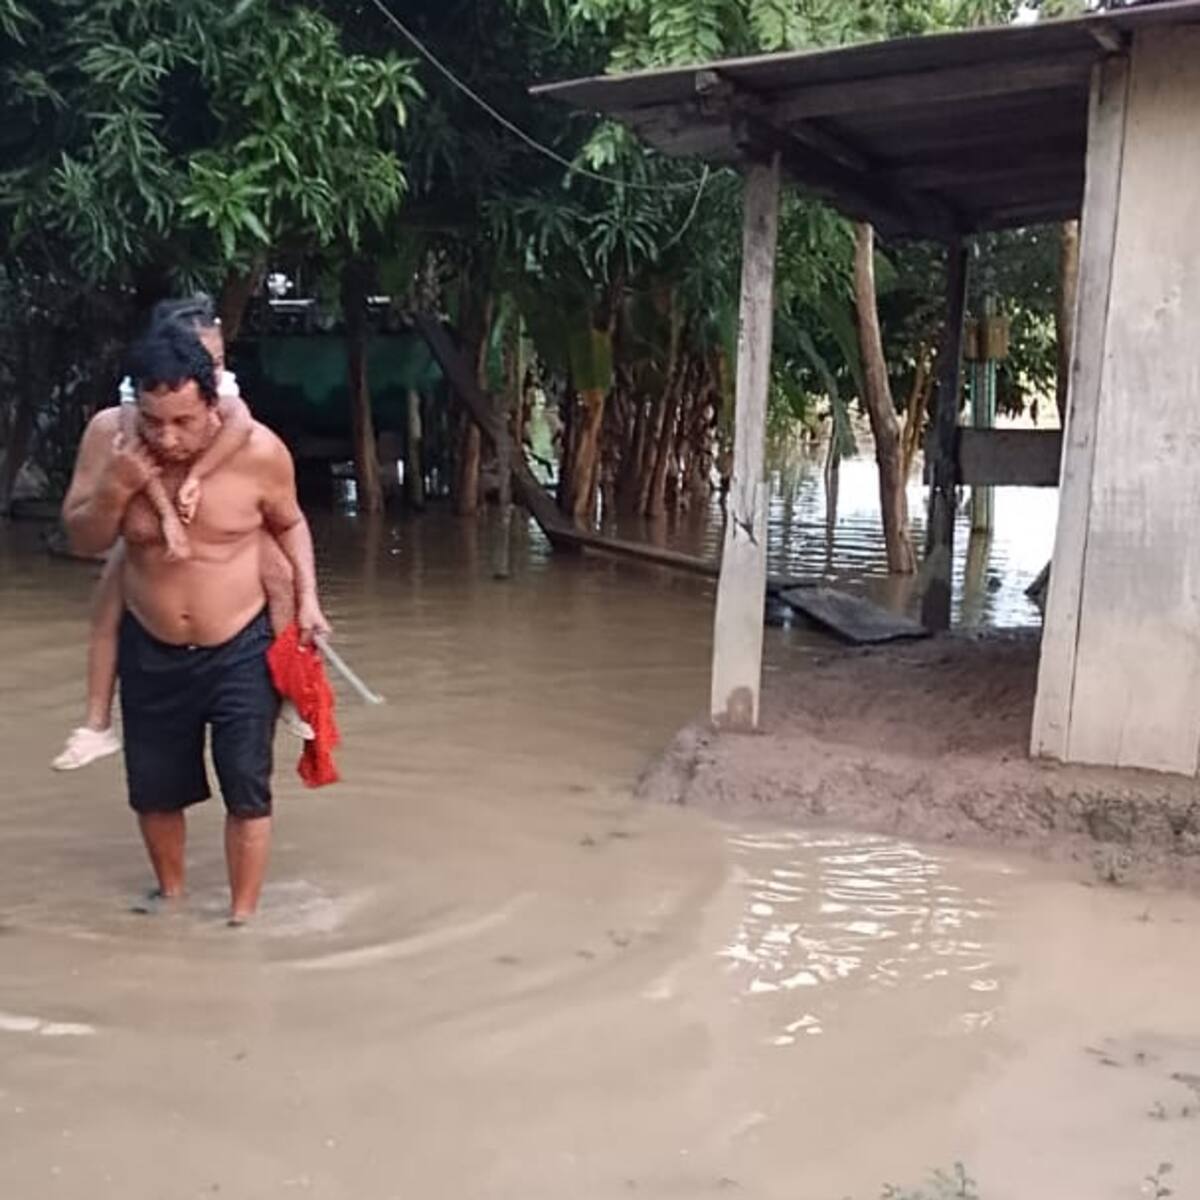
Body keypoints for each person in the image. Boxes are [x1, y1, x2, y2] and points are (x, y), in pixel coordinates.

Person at [61, 313, 330, 924]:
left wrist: (308, 598)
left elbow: (290, 524)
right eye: (154, 423)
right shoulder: (110, 438)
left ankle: (241, 919)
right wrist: (114, 488)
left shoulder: (259, 450)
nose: (170, 438)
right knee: (154, 789)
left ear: (214, 403)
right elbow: (80, 539)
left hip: (241, 643)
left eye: (185, 421)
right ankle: (171, 897)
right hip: (151, 643)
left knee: (247, 785)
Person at [53, 297, 310, 771]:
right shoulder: (136, 405)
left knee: (280, 579)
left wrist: (196, 478)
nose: (169, 435)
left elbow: (241, 428)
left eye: (215, 362)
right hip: (146, 576)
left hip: (237, 607)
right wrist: (146, 507)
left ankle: (293, 690)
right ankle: (95, 722)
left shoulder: (224, 399)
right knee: (109, 599)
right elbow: (130, 465)